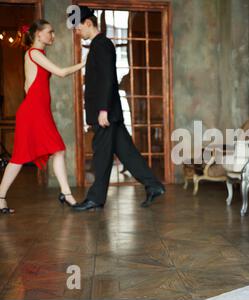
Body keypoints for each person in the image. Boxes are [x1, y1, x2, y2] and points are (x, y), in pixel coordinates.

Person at [72, 6, 165, 211]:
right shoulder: (98, 45)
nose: (76, 31)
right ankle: (153, 185)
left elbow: (108, 79)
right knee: (127, 153)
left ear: (88, 23)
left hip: (105, 113)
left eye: (78, 27)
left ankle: (96, 198)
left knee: (101, 155)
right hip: (109, 113)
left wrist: (103, 110)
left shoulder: (101, 45)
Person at [0, 19, 85, 214]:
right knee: (23, 157)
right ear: (38, 34)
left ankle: (65, 193)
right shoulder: (34, 53)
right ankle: (65, 195)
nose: (53, 36)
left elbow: (27, 86)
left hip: (37, 111)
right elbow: (62, 72)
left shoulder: (37, 54)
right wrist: (85, 62)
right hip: (33, 112)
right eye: (50, 32)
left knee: (55, 151)